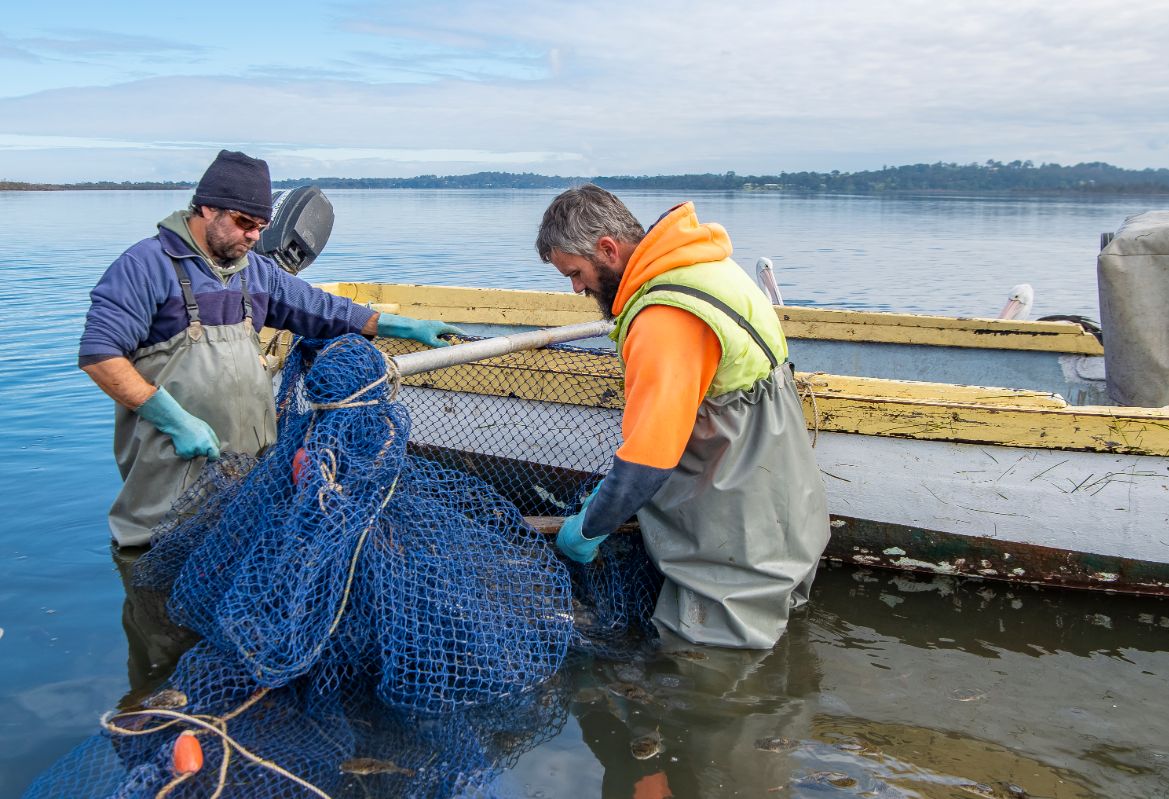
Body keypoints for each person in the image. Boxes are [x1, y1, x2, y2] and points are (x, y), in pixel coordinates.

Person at [79, 149, 461, 546]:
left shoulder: (255, 273)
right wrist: (176, 420)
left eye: (262, 226)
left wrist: (406, 325)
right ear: (208, 208)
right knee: (158, 589)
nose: (254, 237)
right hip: (173, 484)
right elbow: (100, 355)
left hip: (246, 489)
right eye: (245, 223)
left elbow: (322, 309)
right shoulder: (145, 266)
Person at [535, 185, 829, 649]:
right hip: (788, 505)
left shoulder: (663, 317)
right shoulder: (704, 265)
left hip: (735, 522)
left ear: (607, 249)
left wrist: (590, 527)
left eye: (575, 272)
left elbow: (647, 461)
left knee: (708, 658)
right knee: (773, 629)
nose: (575, 288)